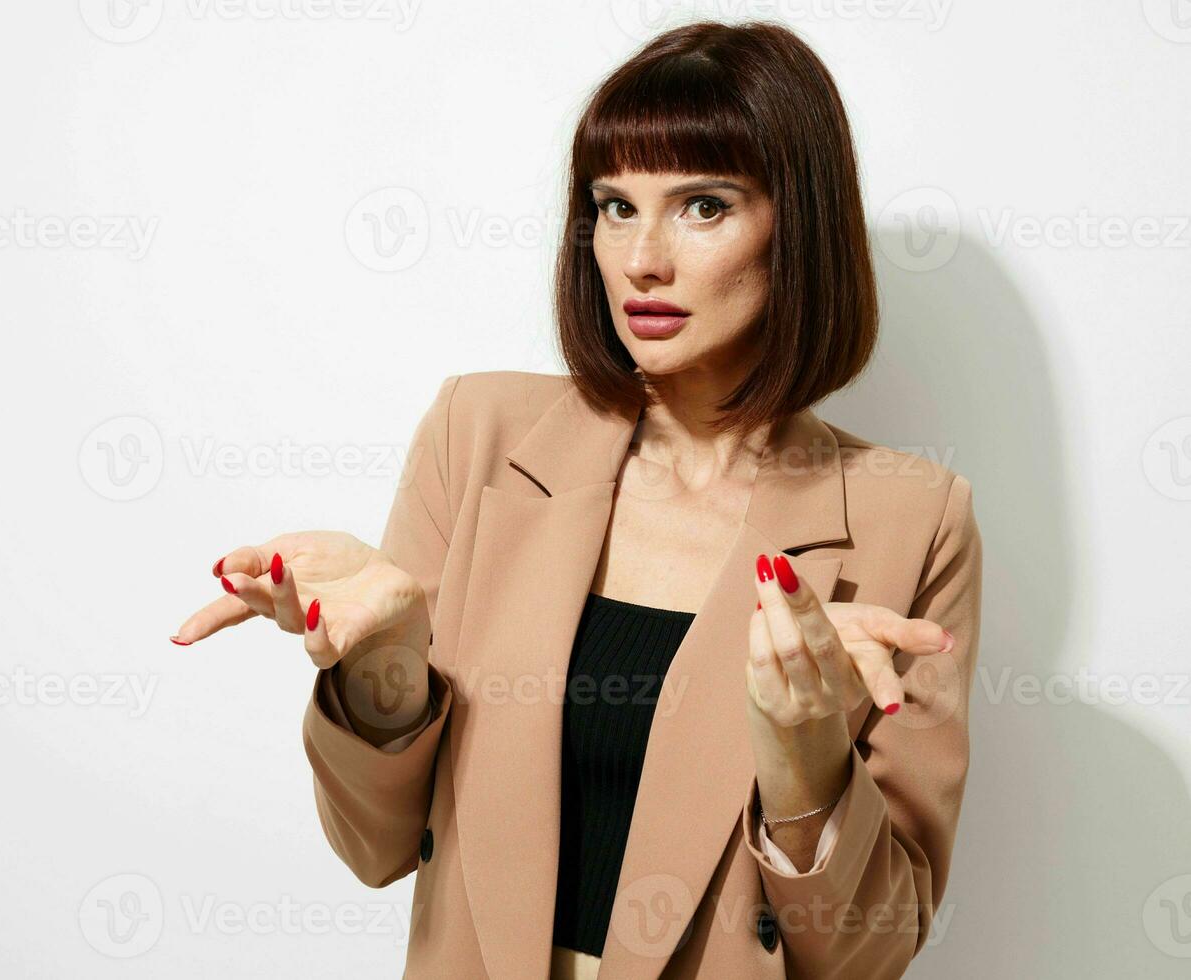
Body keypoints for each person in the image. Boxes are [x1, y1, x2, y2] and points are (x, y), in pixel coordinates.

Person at [173, 19, 983, 980]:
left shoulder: (914, 518)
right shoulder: (479, 434)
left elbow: (868, 956)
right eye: (613, 205)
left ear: (797, 227)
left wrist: (808, 765)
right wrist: (385, 674)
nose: (641, 258)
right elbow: (376, 849)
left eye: (704, 207)